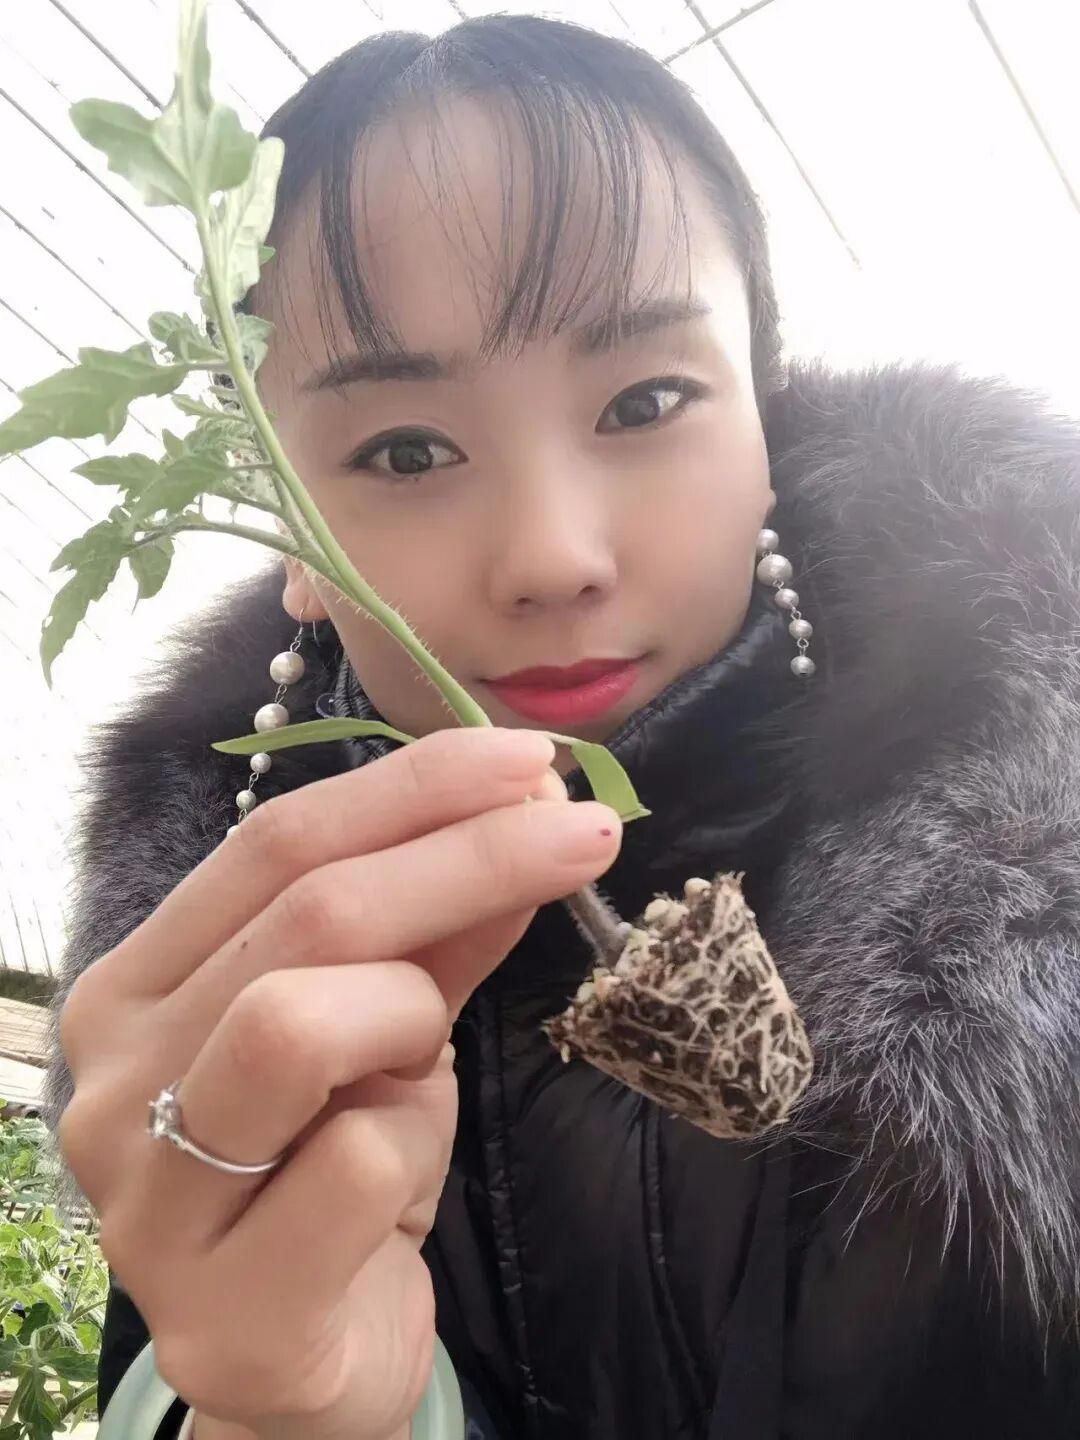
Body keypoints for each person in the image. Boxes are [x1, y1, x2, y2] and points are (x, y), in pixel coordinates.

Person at [41, 13, 1080, 1440]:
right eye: (406, 449)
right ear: (285, 530)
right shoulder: (212, 955)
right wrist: (285, 1413)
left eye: (646, 400)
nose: (552, 556)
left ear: (765, 424)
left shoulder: (1042, 830)